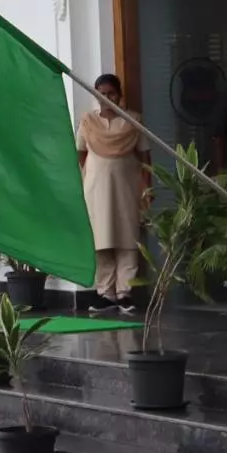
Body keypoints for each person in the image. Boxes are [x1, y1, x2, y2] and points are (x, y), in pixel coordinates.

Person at [77, 77, 149, 311]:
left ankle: (125, 293)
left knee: (127, 239)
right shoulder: (88, 122)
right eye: (101, 94)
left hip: (127, 187)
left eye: (111, 94)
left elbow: (145, 157)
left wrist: (147, 189)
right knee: (101, 240)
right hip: (96, 189)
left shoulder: (133, 121)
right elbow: (80, 154)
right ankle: (105, 294)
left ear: (120, 94)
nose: (107, 99)